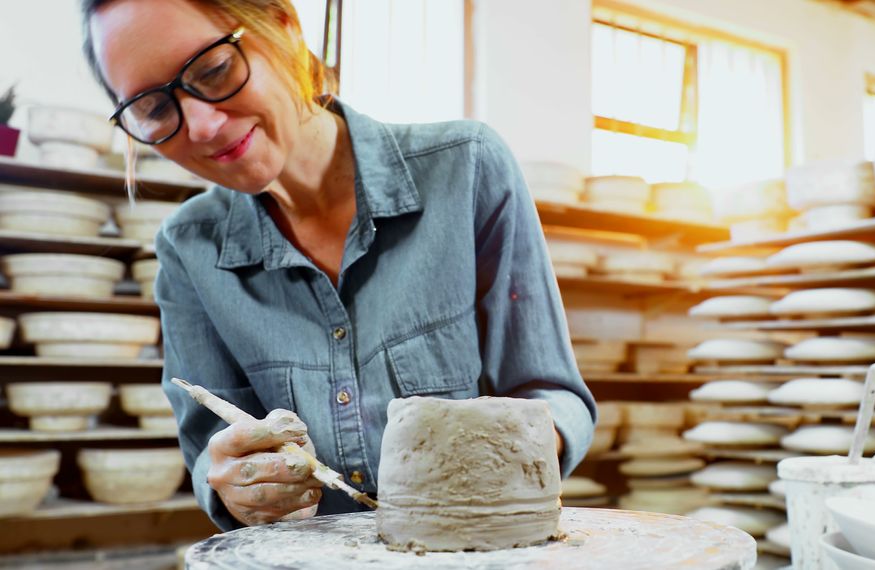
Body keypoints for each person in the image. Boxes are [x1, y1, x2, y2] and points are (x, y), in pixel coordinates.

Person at [81, 0, 596, 531]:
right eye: (153, 109)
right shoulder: (189, 248)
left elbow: (553, 394)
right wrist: (238, 484)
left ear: (283, 28)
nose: (204, 125)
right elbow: (209, 457)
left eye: (214, 70)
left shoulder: (466, 169)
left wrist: (505, 448)